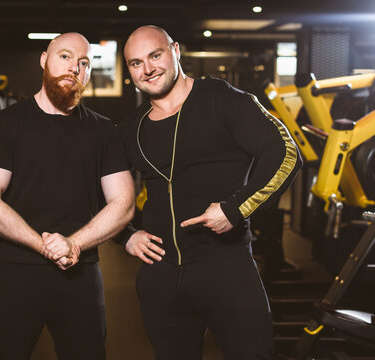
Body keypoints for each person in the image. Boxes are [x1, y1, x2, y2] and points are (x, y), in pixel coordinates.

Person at [118, 25, 302, 359]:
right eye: (135, 62)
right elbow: (96, 187)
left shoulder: (222, 98)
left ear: (175, 50)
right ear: (129, 71)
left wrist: (236, 208)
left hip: (224, 266)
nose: (147, 69)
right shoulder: (132, 128)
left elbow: (285, 152)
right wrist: (126, 235)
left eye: (155, 55)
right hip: (161, 275)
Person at [0, 32, 134, 360]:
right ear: (44, 59)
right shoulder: (5, 125)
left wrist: (74, 244)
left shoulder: (104, 131)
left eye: (84, 62)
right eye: (65, 56)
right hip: (14, 274)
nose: (74, 67)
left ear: (88, 73)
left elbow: (124, 204)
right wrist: (43, 245)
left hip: (81, 275)